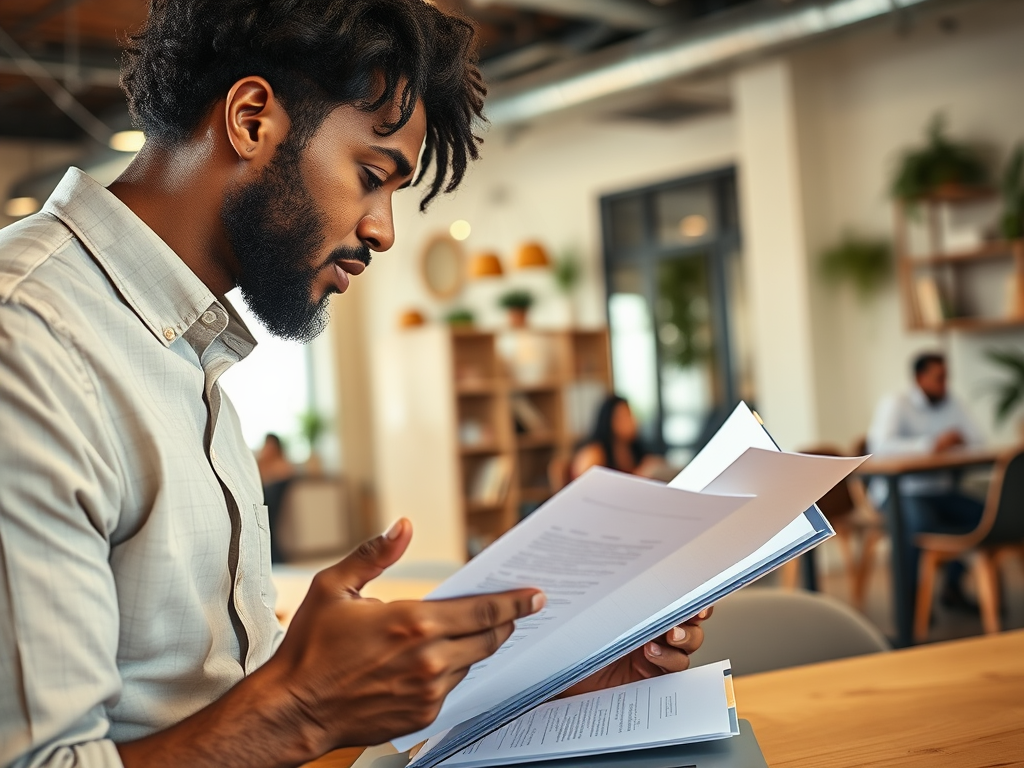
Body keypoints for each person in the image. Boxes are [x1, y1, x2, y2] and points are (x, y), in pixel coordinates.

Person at [0, 2, 711, 766]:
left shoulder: (182, 353)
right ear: (250, 120)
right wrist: (303, 706)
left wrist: (561, 681)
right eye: (372, 177)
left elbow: (240, 724)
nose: (383, 230)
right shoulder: (30, 344)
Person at [867, 351, 985, 611]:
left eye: (946, 377)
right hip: (899, 492)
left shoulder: (952, 402)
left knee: (984, 515)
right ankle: (910, 605)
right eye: (938, 378)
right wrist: (932, 445)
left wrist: (962, 442)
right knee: (918, 523)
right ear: (919, 378)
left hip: (939, 490)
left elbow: (978, 440)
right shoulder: (896, 403)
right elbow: (880, 447)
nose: (944, 384)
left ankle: (953, 587)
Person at [571, 395, 664, 480]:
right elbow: (584, 488)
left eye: (631, 415)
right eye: (625, 416)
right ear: (609, 421)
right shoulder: (594, 454)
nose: (633, 421)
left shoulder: (633, 449)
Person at [257, 434, 295, 563]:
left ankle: (276, 559)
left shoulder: (282, 465)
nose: (267, 448)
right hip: (264, 502)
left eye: (270, 445)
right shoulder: (261, 463)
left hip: (271, 504)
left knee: (268, 527)